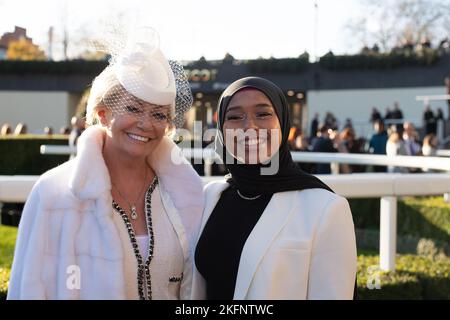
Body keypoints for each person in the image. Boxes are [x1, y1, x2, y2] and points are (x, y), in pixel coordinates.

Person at [7, 30, 204, 300]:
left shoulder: (186, 196)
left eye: (158, 114)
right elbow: (27, 289)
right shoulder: (54, 194)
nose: (146, 124)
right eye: (133, 109)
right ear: (103, 113)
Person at [192, 77, 357, 300]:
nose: (248, 126)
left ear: (283, 122)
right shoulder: (211, 196)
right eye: (234, 116)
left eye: (263, 114)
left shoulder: (324, 208)